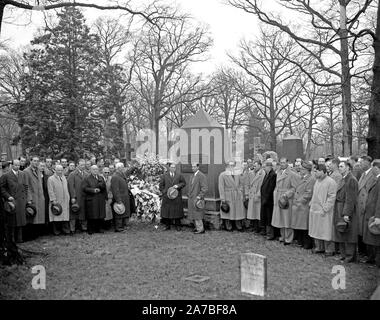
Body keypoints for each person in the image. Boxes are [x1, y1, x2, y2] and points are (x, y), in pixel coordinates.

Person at [332, 161, 359, 262]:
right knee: (341, 230)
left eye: (342, 166)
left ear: (348, 168)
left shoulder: (351, 180)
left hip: (346, 209)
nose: (340, 168)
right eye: (339, 166)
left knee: (349, 233)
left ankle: (350, 256)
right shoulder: (343, 178)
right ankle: (343, 255)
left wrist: (347, 213)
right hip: (340, 207)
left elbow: (351, 199)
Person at [309, 164, 337, 256]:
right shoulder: (317, 181)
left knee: (326, 231)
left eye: (316, 171)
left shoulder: (331, 182)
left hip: (324, 211)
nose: (315, 173)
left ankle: (329, 250)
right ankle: (319, 247)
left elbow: (332, 196)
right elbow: (315, 194)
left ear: (322, 171)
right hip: (315, 209)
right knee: (317, 230)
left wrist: (325, 208)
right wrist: (311, 204)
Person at [271, 157, 300, 245]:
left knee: (287, 219)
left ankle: (288, 238)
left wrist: (286, 194)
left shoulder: (292, 174)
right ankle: (282, 236)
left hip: (286, 199)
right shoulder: (278, 172)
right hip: (278, 197)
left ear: (287, 163)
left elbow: (294, 187)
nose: (282, 164)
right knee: (280, 218)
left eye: (284, 162)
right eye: (281, 163)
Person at [0, 160, 28, 243]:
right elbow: (1, 188)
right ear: (12, 165)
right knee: (12, 222)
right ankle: (11, 240)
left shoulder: (22, 174)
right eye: (16, 165)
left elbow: (25, 186)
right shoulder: (6, 176)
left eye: (19, 165)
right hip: (12, 201)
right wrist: (8, 197)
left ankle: (20, 239)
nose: (17, 167)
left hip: (21, 200)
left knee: (20, 221)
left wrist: (25, 196)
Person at [290, 161, 316, 249]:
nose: (300, 170)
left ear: (307, 170)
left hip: (303, 205)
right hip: (298, 204)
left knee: (304, 226)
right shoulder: (302, 177)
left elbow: (308, 193)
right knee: (299, 225)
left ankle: (307, 243)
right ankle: (300, 241)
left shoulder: (311, 179)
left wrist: (300, 201)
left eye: (302, 169)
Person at [357, 155, 377, 258]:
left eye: (361, 162)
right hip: (360, 208)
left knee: (367, 232)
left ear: (367, 163)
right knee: (361, 231)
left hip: (366, 208)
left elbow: (369, 192)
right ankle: (363, 252)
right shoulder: (363, 174)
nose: (359, 164)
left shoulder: (373, 175)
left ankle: (369, 255)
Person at [218, 161, 246, 231]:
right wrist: (222, 198)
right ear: (227, 166)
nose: (232, 167)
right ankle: (228, 226)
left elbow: (241, 184)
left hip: (237, 194)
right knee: (228, 211)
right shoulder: (222, 175)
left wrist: (240, 191)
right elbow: (221, 187)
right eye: (230, 165)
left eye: (233, 165)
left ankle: (238, 225)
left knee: (238, 211)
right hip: (228, 195)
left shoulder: (238, 174)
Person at [362, 159, 380, 267]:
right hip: (371, 213)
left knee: (376, 239)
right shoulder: (376, 180)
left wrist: (378, 216)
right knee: (373, 239)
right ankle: (373, 259)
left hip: (374, 215)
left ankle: (376, 261)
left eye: (373, 167)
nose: (371, 169)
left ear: (376, 168)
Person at [159, 162, 186, 231]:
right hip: (167, 197)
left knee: (177, 211)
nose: (173, 168)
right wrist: (164, 192)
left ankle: (178, 225)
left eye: (174, 167)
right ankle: (167, 225)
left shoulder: (179, 175)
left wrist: (178, 186)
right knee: (167, 211)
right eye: (171, 167)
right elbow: (161, 186)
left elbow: (183, 183)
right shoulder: (164, 176)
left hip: (176, 196)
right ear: (169, 168)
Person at [23, 156, 45, 239]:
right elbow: (26, 186)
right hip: (32, 197)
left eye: (37, 161)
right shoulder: (26, 171)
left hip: (40, 197)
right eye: (34, 161)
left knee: (39, 216)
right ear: (30, 161)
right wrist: (29, 198)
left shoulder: (39, 170)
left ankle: (37, 234)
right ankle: (30, 235)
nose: (36, 162)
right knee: (31, 215)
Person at [82, 165, 107, 234]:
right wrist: (93, 190)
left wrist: (105, 196)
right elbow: (84, 188)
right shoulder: (86, 178)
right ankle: (91, 229)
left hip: (100, 199)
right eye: (94, 169)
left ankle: (99, 229)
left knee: (100, 214)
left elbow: (104, 187)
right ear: (90, 170)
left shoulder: (101, 177)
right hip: (92, 199)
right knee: (92, 215)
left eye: (96, 169)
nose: (95, 171)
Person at [47, 165, 70, 235]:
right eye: (58, 170)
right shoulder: (51, 179)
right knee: (56, 216)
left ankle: (65, 230)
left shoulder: (63, 178)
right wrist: (53, 200)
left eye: (61, 170)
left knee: (64, 217)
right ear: (55, 170)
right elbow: (50, 190)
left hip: (64, 200)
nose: (60, 172)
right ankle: (56, 231)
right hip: (56, 200)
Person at [67, 159, 87, 233]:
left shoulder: (86, 174)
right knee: (74, 212)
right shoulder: (72, 174)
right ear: (77, 165)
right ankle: (72, 229)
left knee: (83, 212)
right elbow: (71, 186)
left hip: (84, 196)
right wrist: (73, 196)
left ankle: (84, 227)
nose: (83, 166)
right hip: (76, 197)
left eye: (84, 165)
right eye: (81, 165)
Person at [245, 160, 265, 233]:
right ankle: (254, 227)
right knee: (252, 212)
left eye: (255, 165)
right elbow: (246, 184)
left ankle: (260, 228)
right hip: (251, 195)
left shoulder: (263, 173)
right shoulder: (250, 173)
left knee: (258, 213)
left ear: (260, 165)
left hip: (258, 195)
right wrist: (247, 194)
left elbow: (263, 185)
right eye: (254, 165)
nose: (254, 167)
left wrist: (258, 194)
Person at [187, 163, 208, 234]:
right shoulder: (192, 175)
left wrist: (200, 196)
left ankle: (201, 229)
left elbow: (204, 188)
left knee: (198, 214)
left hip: (197, 198)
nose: (192, 168)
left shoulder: (201, 175)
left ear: (198, 167)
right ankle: (197, 227)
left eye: (194, 166)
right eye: (192, 167)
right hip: (191, 198)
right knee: (193, 214)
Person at [110, 162, 131, 232]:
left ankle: (123, 226)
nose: (123, 169)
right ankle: (118, 227)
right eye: (122, 167)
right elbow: (115, 189)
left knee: (123, 212)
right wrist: (118, 200)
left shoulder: (122, 175)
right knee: (119, 212)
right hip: (120, 197)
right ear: (119, 168)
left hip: (125, 197)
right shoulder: (115, 176)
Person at [260, 160, 277, 240]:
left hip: (269, 200)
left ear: (269, 167)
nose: (264, 168)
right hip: (265, 199)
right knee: (266, 217)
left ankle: (270, 234)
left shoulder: (273, 175)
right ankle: (267, 232)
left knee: (269, 217)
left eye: (265, 167)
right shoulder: (267, 174)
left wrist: (266, 199)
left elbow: (270, 188)